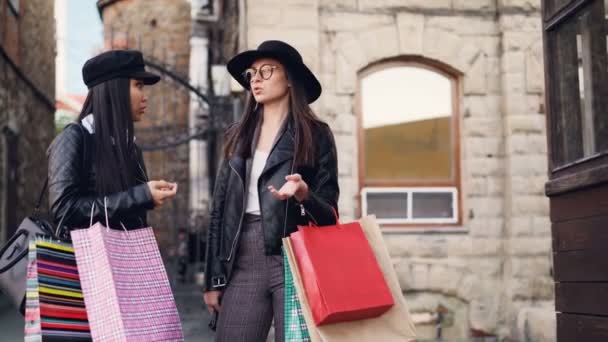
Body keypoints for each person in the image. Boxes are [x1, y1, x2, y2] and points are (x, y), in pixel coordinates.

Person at [203, 40, 340, 342]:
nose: (256, 79)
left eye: (267, 70)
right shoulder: (236, 136)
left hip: (295, 257)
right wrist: (213, 279)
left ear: (290, 78)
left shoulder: (316, 135)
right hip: (243, 260)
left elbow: (330, 215)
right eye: (252, 73)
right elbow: (219, 212)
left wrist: (304, 194)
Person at [48, 49, 177, 237]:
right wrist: (140, 196)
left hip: (124, 261)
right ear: (115, 89)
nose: (145, 96)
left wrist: (146, 197)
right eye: (138, 85)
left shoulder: (131, 148)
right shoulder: (74, 138)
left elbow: (131, 215)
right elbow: (64, 211)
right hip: (83, 262)